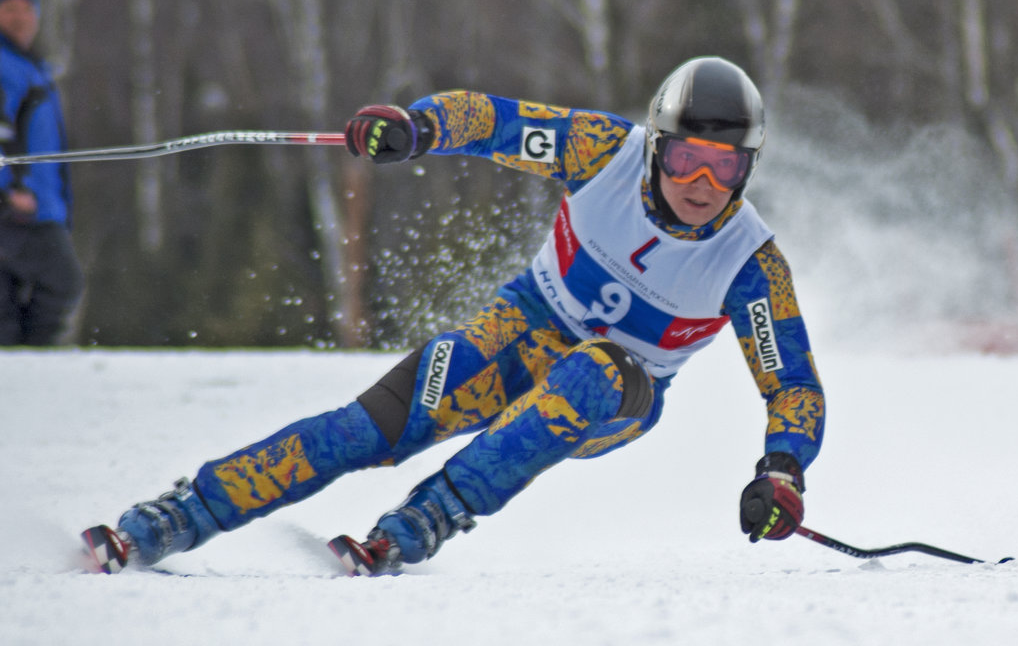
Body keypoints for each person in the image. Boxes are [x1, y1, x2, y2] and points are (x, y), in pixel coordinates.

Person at [81, 56, 825, 575]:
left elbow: (792, 385)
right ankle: (184, 512)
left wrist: (782, 470)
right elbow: (490, 119)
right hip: (521, 327)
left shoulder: (750, 264)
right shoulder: (604, 152)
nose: (701, 181)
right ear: (657, 146)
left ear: (748, 168)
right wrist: (415, 129)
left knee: (596, 369)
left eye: (724, 165)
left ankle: (433, 514)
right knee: (363, 431)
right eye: (687, 158)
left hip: (620, 398)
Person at [0, 0, 83, 346]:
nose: (21, 18)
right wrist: (10, 189)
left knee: (9, 305)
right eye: (11, 9)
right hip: (17, 207)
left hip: (40, 204)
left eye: (27, 9)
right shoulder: (6, 67)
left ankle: (22, 368)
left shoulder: (31, 66)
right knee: (61, 283)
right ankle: (30, 363)